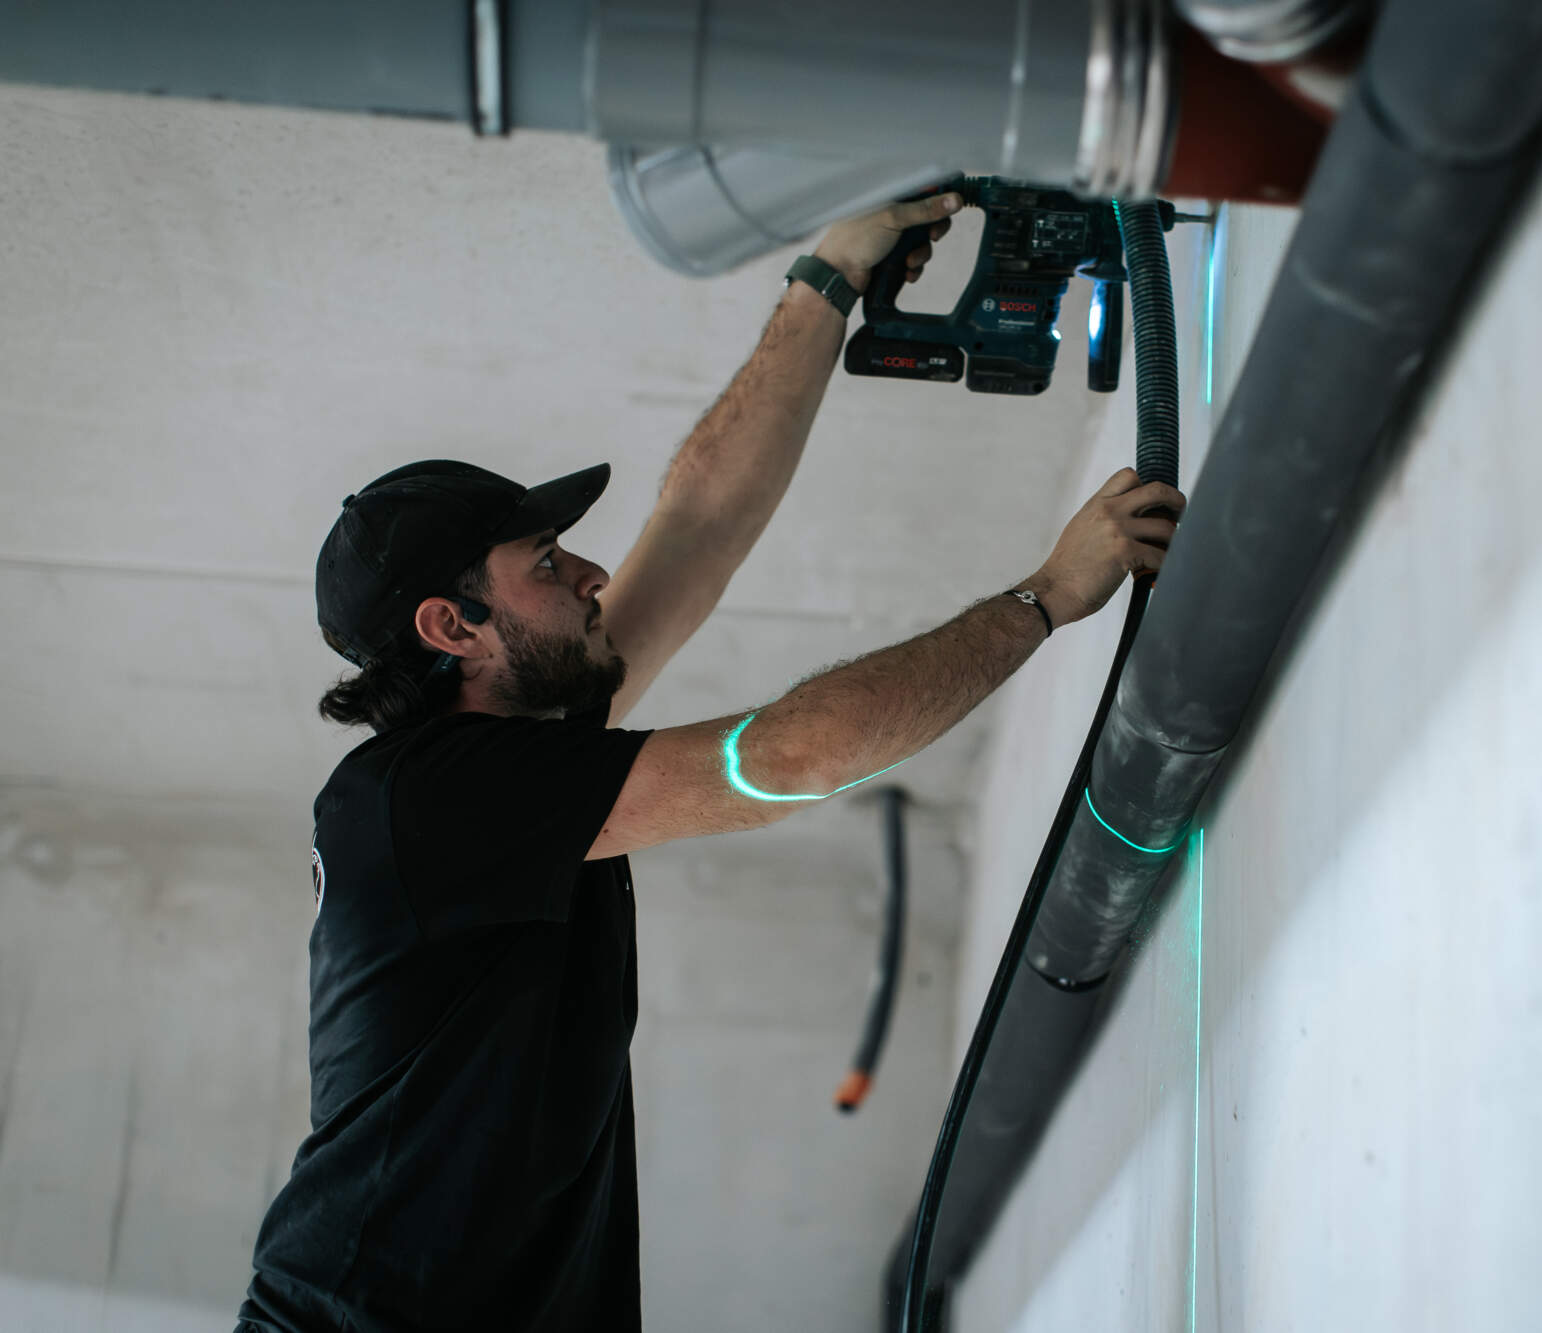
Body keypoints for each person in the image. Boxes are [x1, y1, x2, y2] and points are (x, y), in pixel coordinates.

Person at [236, 191, 1185, 1331]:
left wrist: (828, 277)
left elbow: (698, 526)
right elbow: (788, 756)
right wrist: (1040, 600)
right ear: (452, 629)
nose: (587, 574)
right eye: (544, 561)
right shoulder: (425, 797)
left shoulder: (508, 764)